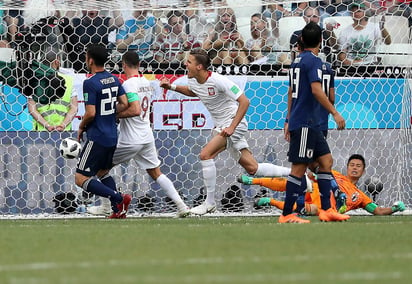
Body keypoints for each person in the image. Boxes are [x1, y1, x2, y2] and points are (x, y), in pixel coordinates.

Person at [160, 48, 292, 215]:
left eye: (189, 62)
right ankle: (297, 174)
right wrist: (170, 86)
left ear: (199, 66)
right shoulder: (192, 80)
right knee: (253, 168)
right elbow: (194, 91)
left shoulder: (219, 80)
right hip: (222, 126)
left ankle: (209, 203)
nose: (186, 64)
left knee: (205, 155)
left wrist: (232, 127)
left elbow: (245, 101)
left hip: (232, 124)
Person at [88, 51, 191, 218]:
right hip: (146, 136)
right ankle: (181, 206)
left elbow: (135, 109)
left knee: (99, 168)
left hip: (132, 138)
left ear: (123, 65)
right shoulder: (146, 82)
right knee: (156, 173)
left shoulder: (129, 84)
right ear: (139, 64)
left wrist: (112, 115)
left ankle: (107, 206)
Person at [281, 22, 348, 223]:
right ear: (321, 40)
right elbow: (317, 90)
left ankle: (327, 210)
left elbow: (292, 92)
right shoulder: (314, 62)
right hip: (305, 122)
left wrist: (287, 119)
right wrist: (335, 113)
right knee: (299, 169)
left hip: (311, 123)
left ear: (301, 40)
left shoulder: (297, 61)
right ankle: (286, 214)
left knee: (326, 161)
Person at [240, 154, 406, 216]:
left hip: (322, 207)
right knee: (296, 181)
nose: (355, 168)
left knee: (309, 209)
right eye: (352, 165)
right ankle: (253, 180)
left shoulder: (360, 197)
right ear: (347, 167)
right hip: (313, 189)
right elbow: (314, 173)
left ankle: (270, 202)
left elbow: (377, 211)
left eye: (358, 166)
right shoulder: (335, 174)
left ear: (363, 172)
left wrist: (395, 208)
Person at [75, 44, 133, 219]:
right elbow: (124, 104)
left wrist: (81, 126)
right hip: (112, 136)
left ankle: (118, 198)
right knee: (102, 172)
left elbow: (91, 113)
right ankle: (118, 209)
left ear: (90, 60)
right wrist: (109, 114)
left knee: (80, 178)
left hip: (97, 136)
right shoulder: (115, 79)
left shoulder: (90, 82)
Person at [66, 0, 124, 72]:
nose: (91, 9)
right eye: (88, 6)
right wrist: (74, 4)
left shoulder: (105, 21)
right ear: (83, 10)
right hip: (80, 63)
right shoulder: (77, 22)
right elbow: (65, 23)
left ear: (98, 9)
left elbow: (119, 22)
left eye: (94, 6)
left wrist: (113, 2)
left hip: (101, 63)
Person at [28, 50, 78, 131]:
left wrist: (47, 126)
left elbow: (32, 109)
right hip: (64, 132)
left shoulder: (34, 81)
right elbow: (74, 108)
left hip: (40, 133)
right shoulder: (68, 80)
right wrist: (63, 125)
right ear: (57, 61)